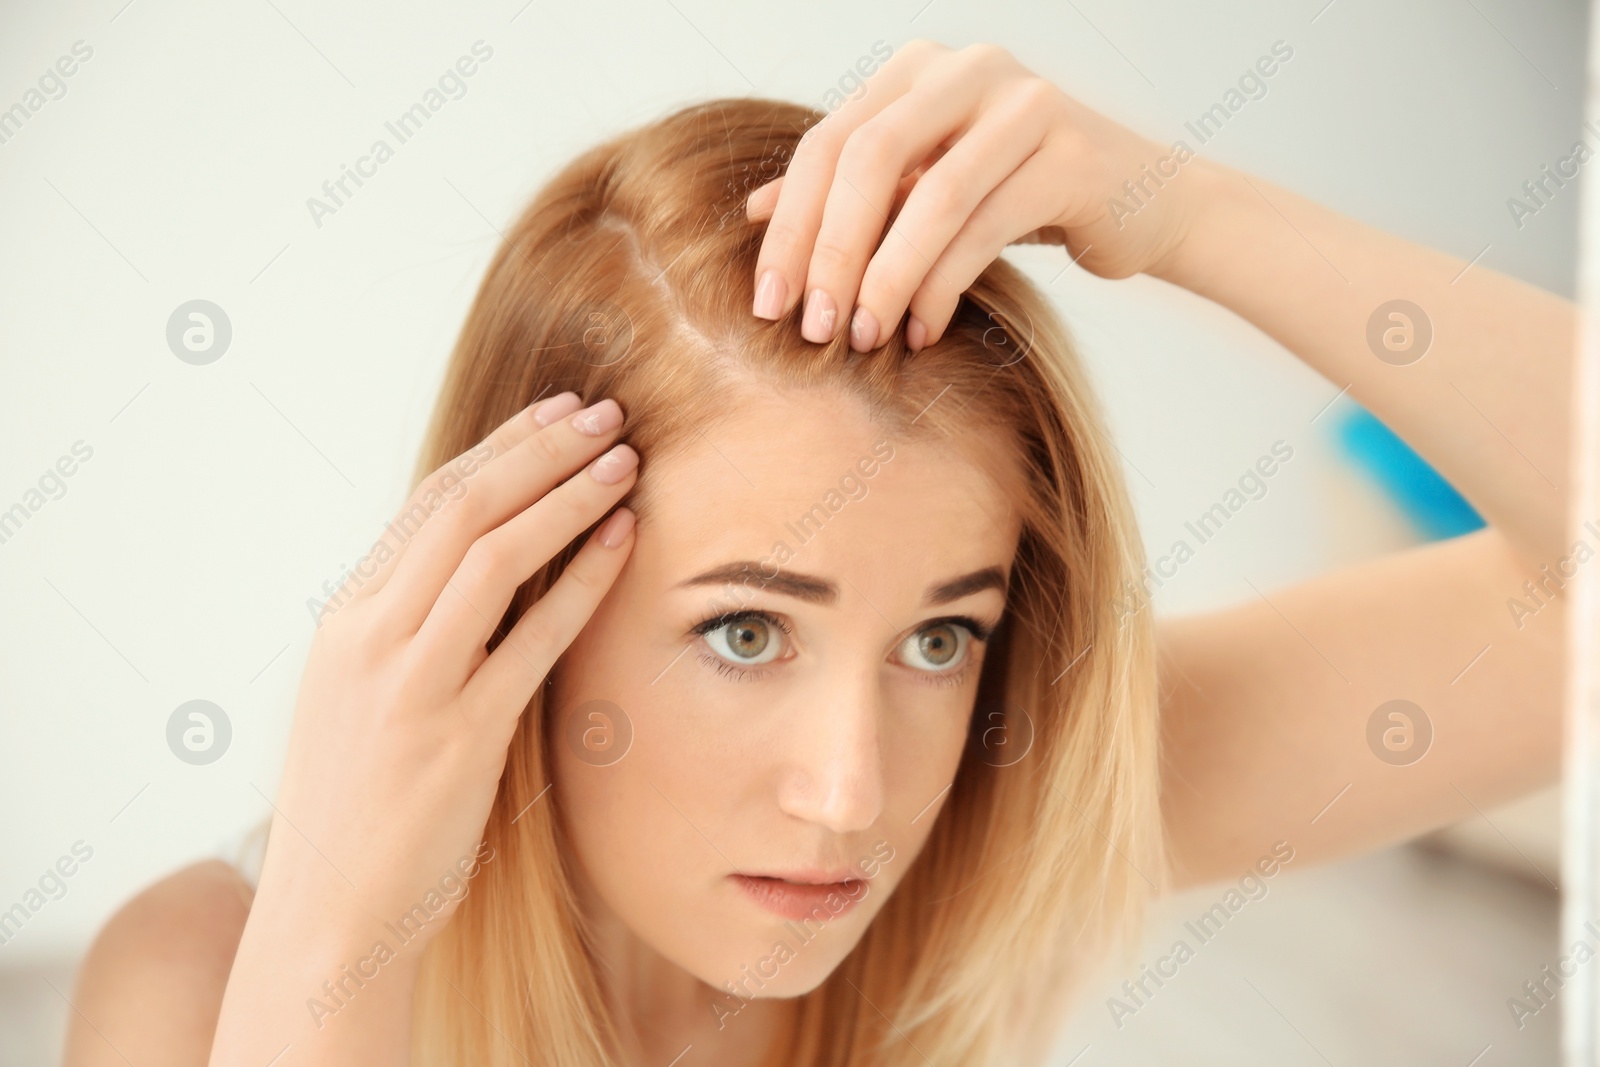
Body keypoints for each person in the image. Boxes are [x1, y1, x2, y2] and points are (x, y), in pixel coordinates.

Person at [63, 39, 1570, 1067]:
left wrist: (1175, 209)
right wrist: (334, 938)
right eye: (746, 632)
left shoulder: (1003, 807)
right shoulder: (197, 985)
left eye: (940, 637)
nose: (854, 795)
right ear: (518, 607)